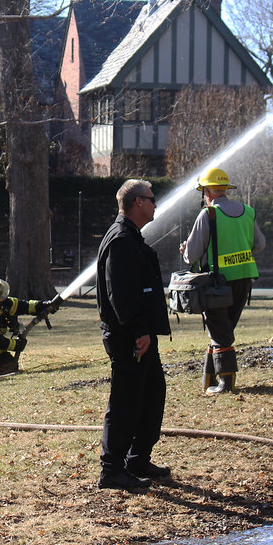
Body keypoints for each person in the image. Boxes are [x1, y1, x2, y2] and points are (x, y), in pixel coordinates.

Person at [96, 179, 171, 490]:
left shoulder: (131, 238)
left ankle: (137, 459)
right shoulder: (122, 241)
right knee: (126, 401)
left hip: (140, 335)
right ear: (138, 202)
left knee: (152, 395)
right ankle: (111, 469)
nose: (155, 204)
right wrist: (140, 331)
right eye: (151, 199)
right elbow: (121, 294)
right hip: (129, 336)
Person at [179, 167, 266, 395]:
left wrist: (185, 250)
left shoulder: (208, 214)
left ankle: (225, 384)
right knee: (222, 329)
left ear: (207, 191)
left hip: (217, 282)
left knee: (219, 330)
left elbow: (192, 254)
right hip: (244, 278)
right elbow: (260, 244)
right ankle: (209, 378)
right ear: (225, 189)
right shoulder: (248, 211)